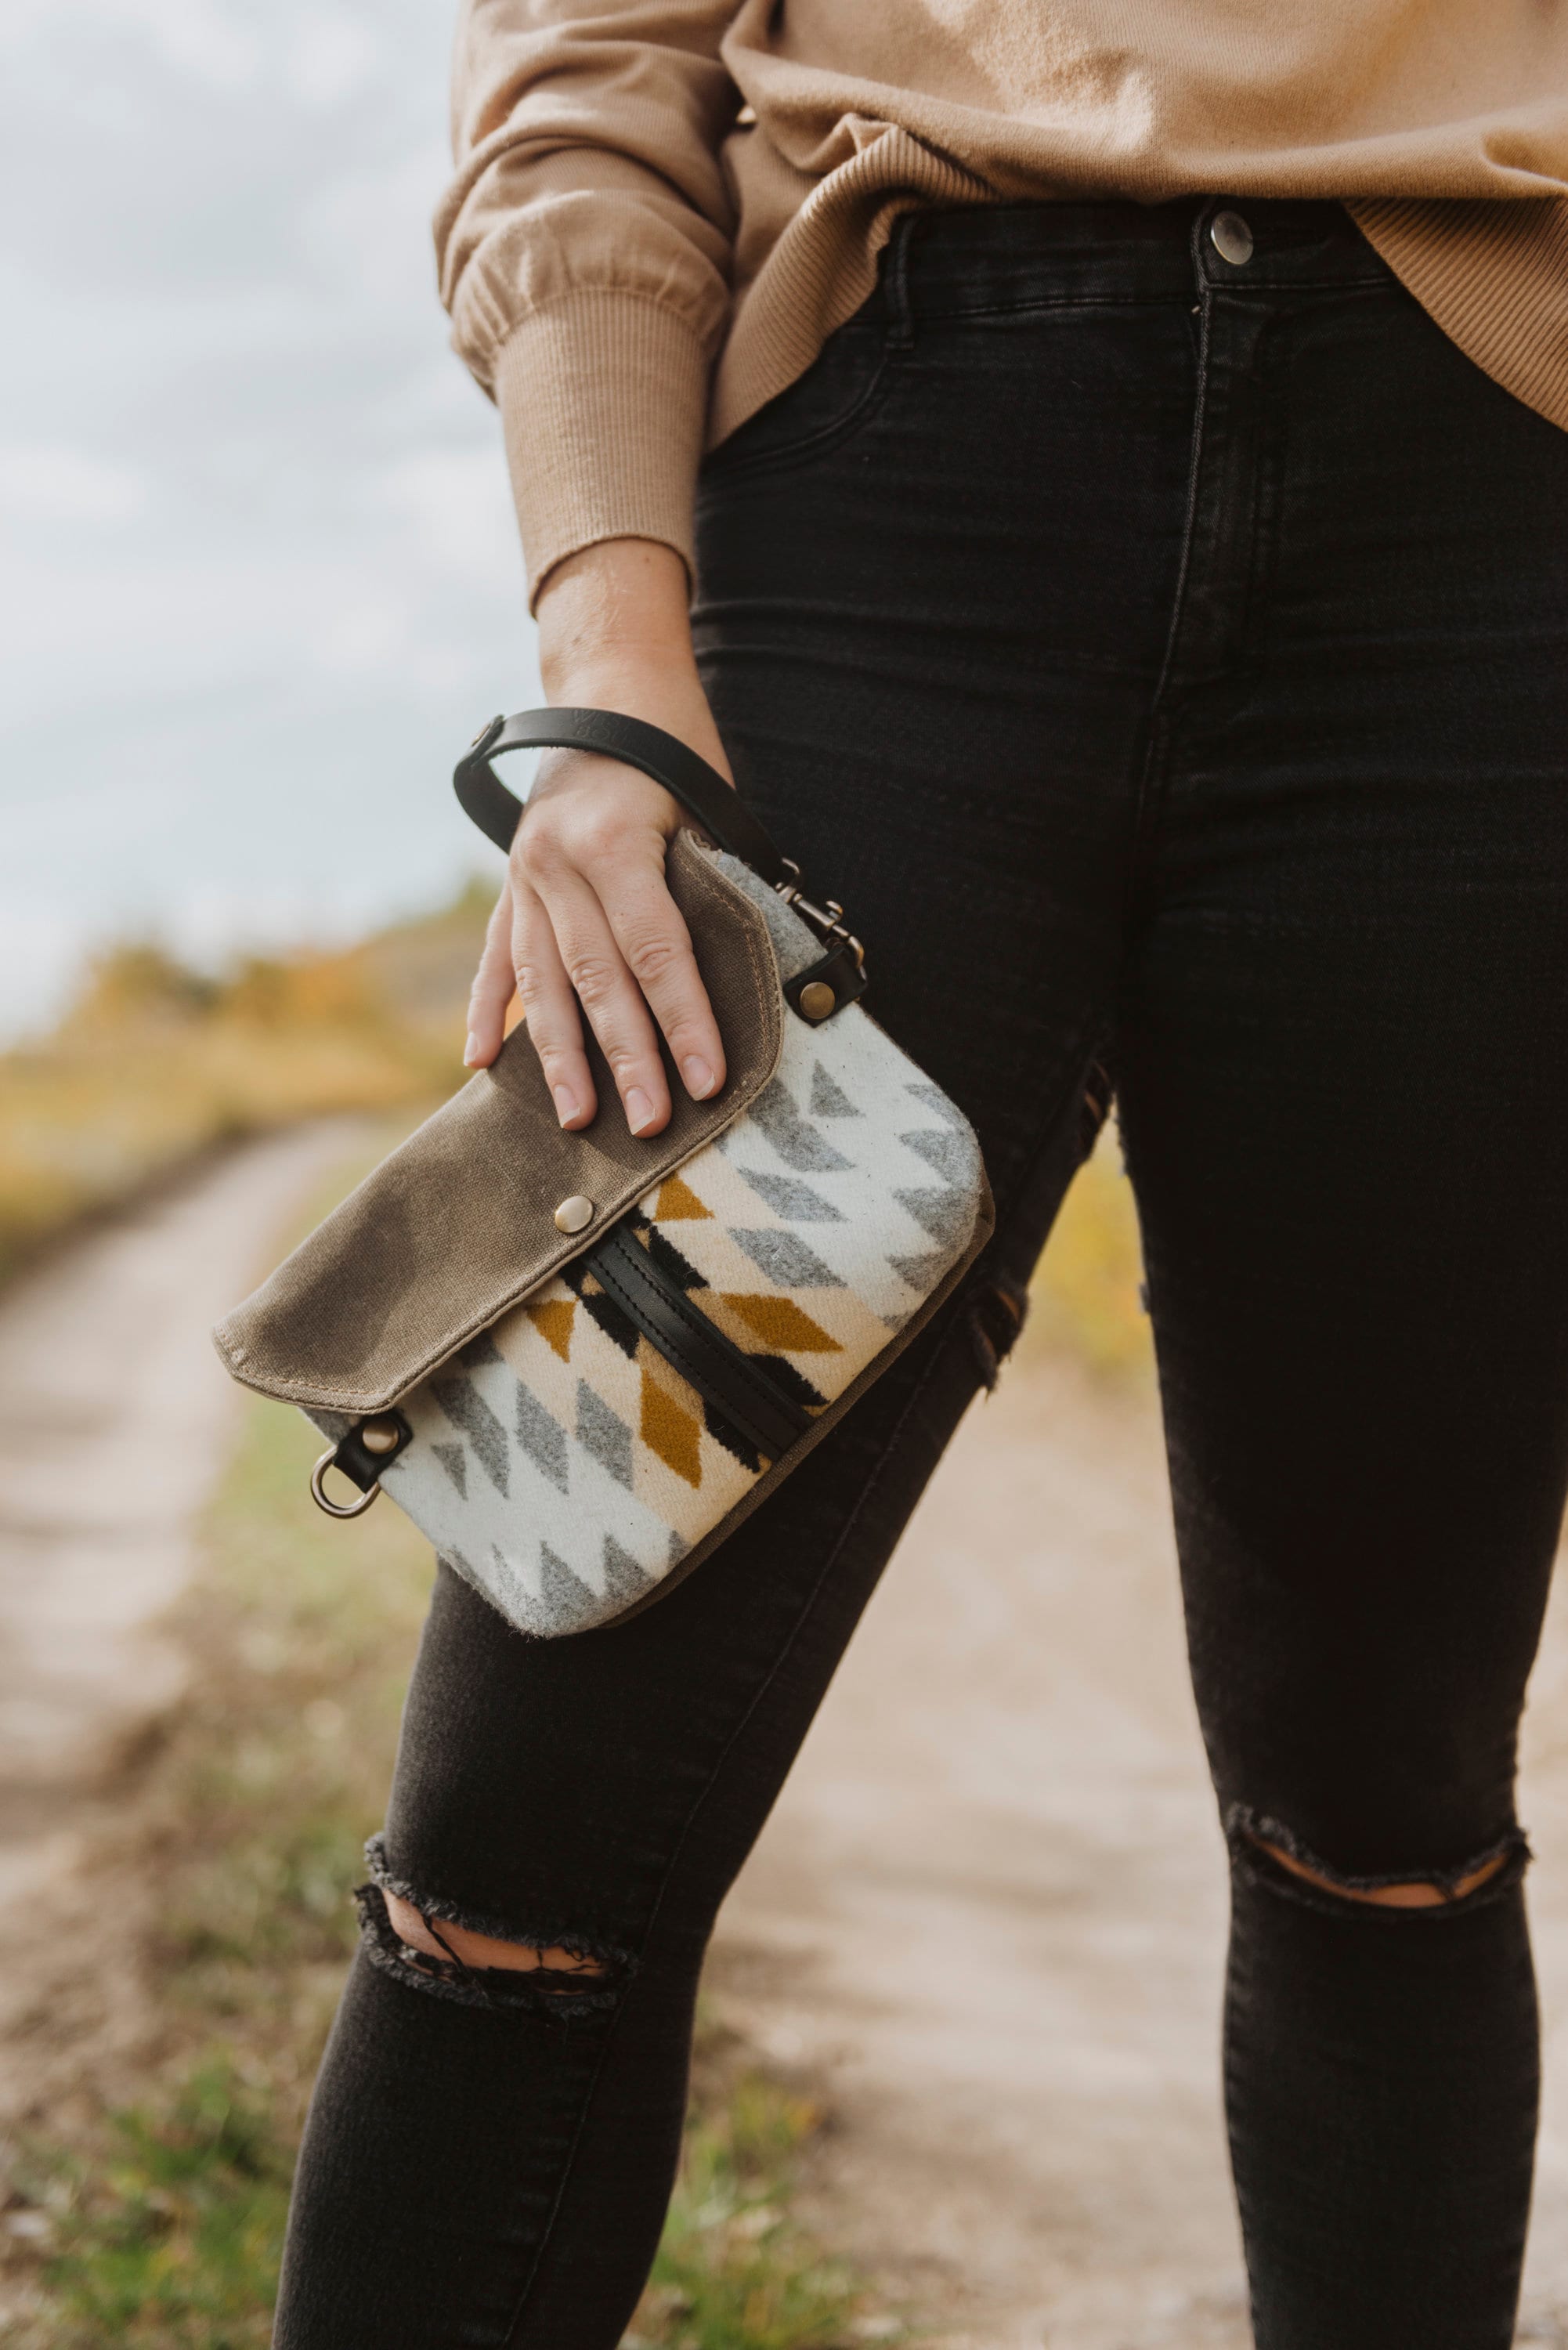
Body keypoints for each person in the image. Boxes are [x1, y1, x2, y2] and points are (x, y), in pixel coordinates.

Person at [270, 9, 1568, 2345]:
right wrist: (607, 641)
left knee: (1385, 1822)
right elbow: (585, 60)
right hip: (883, 551)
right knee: (527, 1834)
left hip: (1487, 556)